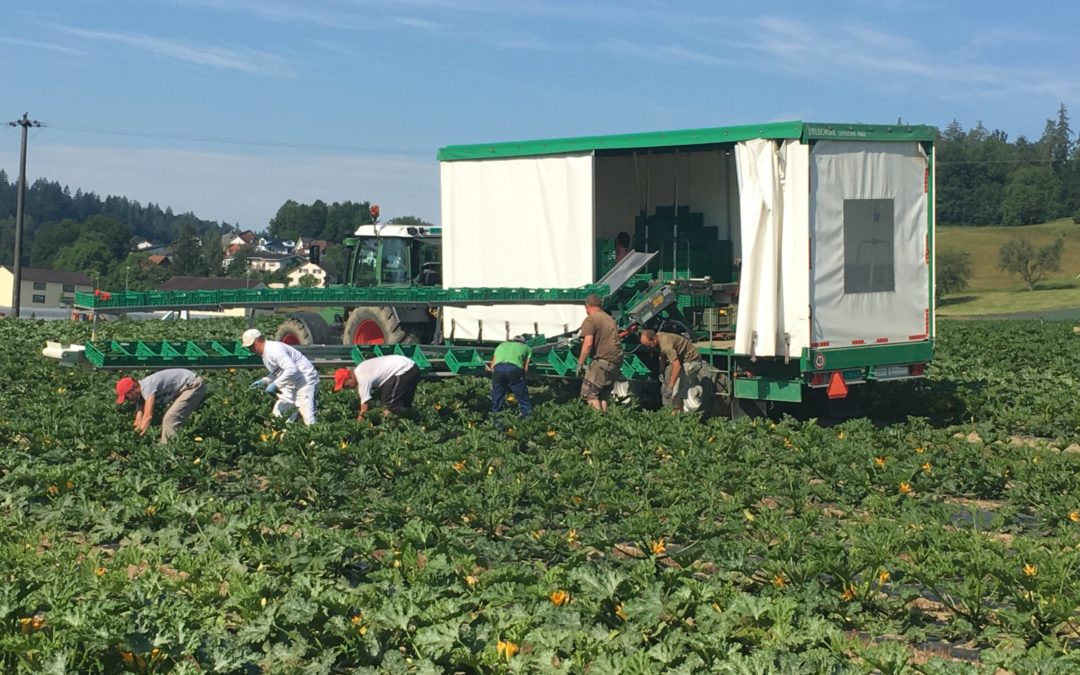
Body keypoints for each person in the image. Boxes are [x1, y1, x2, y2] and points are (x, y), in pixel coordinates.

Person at [242, 328, 319, 425]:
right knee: (279, 413)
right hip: (292, 383)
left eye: (251, 347)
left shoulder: (274, 350)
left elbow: (292, 369)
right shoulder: (266, 354)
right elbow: (278, 371)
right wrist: (265, 381)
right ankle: (288, 436)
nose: (251, 350)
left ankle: (316, 438)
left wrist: (275, 384)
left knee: (307, 415)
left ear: (256, 342)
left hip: (305, 381)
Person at [115, 368, 207, 443]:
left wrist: (138, 438)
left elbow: (148, 417)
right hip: (183, 388)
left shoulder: (147, 387)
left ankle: (169, 450)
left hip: (193, 385)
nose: (128, 400)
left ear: (132, 390)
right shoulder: (141, 397)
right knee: (170, 417)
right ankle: (172, 442)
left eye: (127, 397)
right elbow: (138, 419)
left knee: (170, 419)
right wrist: (132, 436)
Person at [333, 354, 420, 421]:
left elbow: (364, 407)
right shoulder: (361, 368)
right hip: (410, 367)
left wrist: (358, 424)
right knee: (401, 404)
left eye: (345, 385)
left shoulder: (362, 378)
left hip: (403, 370)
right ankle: (402, 426)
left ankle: (385, 432)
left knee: (389, 405)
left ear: (350, 377)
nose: (345, 388)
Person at [576, 294, 624, 412]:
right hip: (616, 362)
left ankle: (597, 424)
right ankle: (605, 423)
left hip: (603, 360)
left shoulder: (591, 319)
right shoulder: (609, 318)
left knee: (589, 394)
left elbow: (588, 343)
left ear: (587, 306)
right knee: (602, 395)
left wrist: (580, 363)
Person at [639, 329, 706, 412]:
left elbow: (676, 366)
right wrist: (661, 370)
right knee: (676, 388)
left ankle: (684, 410)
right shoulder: (659, 336)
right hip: (683, 360)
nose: (648, 348)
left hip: (692, 361)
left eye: (648, 345)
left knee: (681, 389)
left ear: (653, 339)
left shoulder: (666, 344)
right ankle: (676, 411)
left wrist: (670, 386)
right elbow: (662, 355)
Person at [489, 335, 532, 420]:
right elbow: (526, 368)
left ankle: (497, 421)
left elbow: (492, 366)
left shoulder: (501, 345)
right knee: (522, 395)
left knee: (497, 396)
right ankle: (527, 418)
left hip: (498, 368)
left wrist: (497, 379)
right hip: (514, 369)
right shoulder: (527, 347)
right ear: (523, 342)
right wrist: (523, 378)